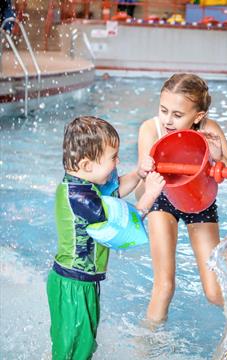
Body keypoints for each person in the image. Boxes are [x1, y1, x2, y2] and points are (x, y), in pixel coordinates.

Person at [47, 116, 165, 359]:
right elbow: (122, 227)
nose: (117, 161)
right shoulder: (80, 198)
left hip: (80, 282)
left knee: (81, 344)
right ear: (88, 165)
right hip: (74, 285)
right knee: (73, 349)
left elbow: (116, 190)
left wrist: (140, 174)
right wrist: (150, 196)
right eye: (113, 158)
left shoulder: (83, 185)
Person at [137, 73, 227, 323]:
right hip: (162, 199)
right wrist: (143, 173)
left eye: (177, 115)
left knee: (214, 292)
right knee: (164, 287)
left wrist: (220, 157)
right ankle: (145, 347)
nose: (168, 120)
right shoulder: (151, 129)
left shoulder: (209, 130)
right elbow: (141, 196)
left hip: (200, 201)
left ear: (197, 117)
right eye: (163, 110)